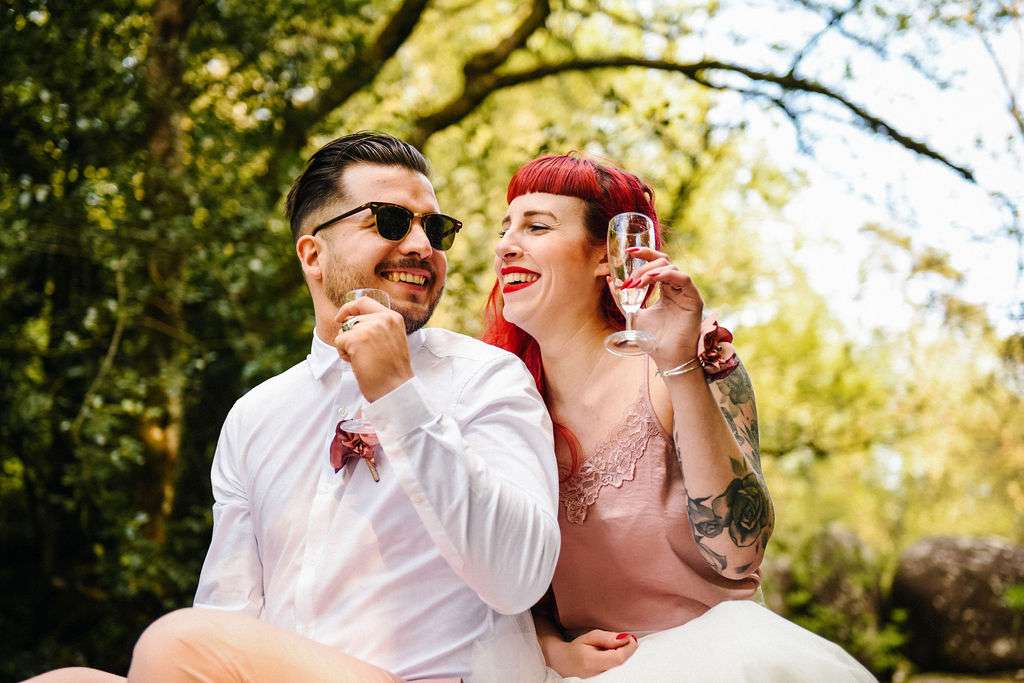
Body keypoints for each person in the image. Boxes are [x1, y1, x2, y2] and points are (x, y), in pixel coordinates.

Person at [25, 132, 560, 683]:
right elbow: (228, 612)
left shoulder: (487, 378)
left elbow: (520, 578)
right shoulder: (255, 416)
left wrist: (399, 396)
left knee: (176, 641)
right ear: (313, 255)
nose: (422, 245)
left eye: (436, 228)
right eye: (391, 221)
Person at [479, 153, 876, 681]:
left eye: (537, 227)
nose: (506, 245)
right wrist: (552, 648)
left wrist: (679, 367)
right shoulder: (499, 398)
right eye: (506, 228)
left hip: (720, 659)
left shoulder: (696, 357)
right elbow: (494, 568)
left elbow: (739, 555)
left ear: (608, 256)